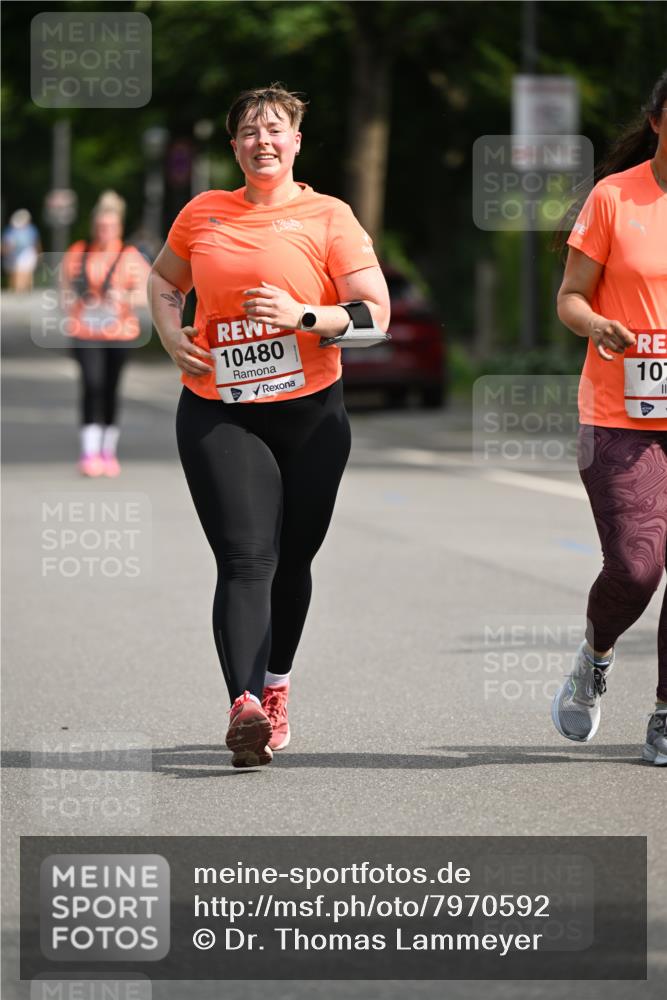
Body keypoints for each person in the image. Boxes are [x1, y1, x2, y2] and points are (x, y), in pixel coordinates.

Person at [148, 84, 390, 767]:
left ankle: (275, 683)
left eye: (275, 129)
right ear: (234, 147)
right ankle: (244, 707)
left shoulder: (328, 217)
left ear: (295, 143)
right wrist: (170, 333)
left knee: (293, 561)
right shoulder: (203, 214)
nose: (262, 140)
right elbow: (164, 283)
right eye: (249, 131)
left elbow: (375, 314)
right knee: (246, 558)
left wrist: (304, 317)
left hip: (311, 413)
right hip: (218, 408)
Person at [551, 70, 667, 766]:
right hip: (620, 410)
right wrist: (596, 323)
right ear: (656, 121)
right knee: (635, 564)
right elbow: (568, 296)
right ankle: (594, 656)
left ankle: (663, 714)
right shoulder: (613, 198)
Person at [62, 192, 151, 477]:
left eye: (110, 227)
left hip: (119, 333)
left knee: (111, 388)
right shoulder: (78, 251)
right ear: (93, 227)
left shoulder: (130, 256)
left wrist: (123, 297)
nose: (105, 232)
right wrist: (77, 302)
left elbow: (148, 293)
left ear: (119, 228)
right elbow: (63, 290)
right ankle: (88, 452)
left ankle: (107, 451)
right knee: (92, 384)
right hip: (85, 331)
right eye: (101, 226)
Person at [2, 209, 40, 292]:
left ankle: (23, 289)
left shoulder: (31, 230)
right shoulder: (10, 230)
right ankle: (18, 290)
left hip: (26, 253)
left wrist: (37, 253)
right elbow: (6, 244)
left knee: (25, 271)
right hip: (13, 254)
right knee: (15, 272)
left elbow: (35, 243)